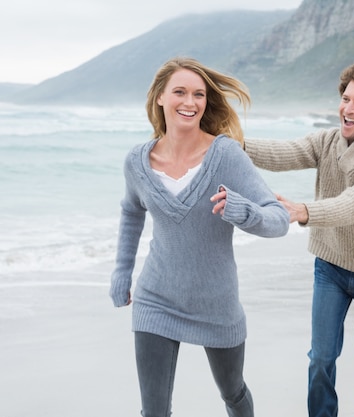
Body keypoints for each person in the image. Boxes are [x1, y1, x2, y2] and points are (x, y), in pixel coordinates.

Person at [109, 57, 289, 417]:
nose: (190, 102)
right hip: (156, 299)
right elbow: (131, 212)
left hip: (216, 304)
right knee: (154, 411)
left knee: (233, 393)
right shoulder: (137, 162)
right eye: (180, 92)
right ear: (160, 97)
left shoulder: (225, 155)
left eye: (198, 95)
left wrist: (242, 211)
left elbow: (279, 219)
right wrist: (121, 271)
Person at [244, 59, 354, 417]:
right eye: (346, 98)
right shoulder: (327, 141)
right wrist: (234, 144)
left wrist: (305, 211)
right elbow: (284, 152)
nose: (348, 109)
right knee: (321, 356)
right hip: (330, 266)